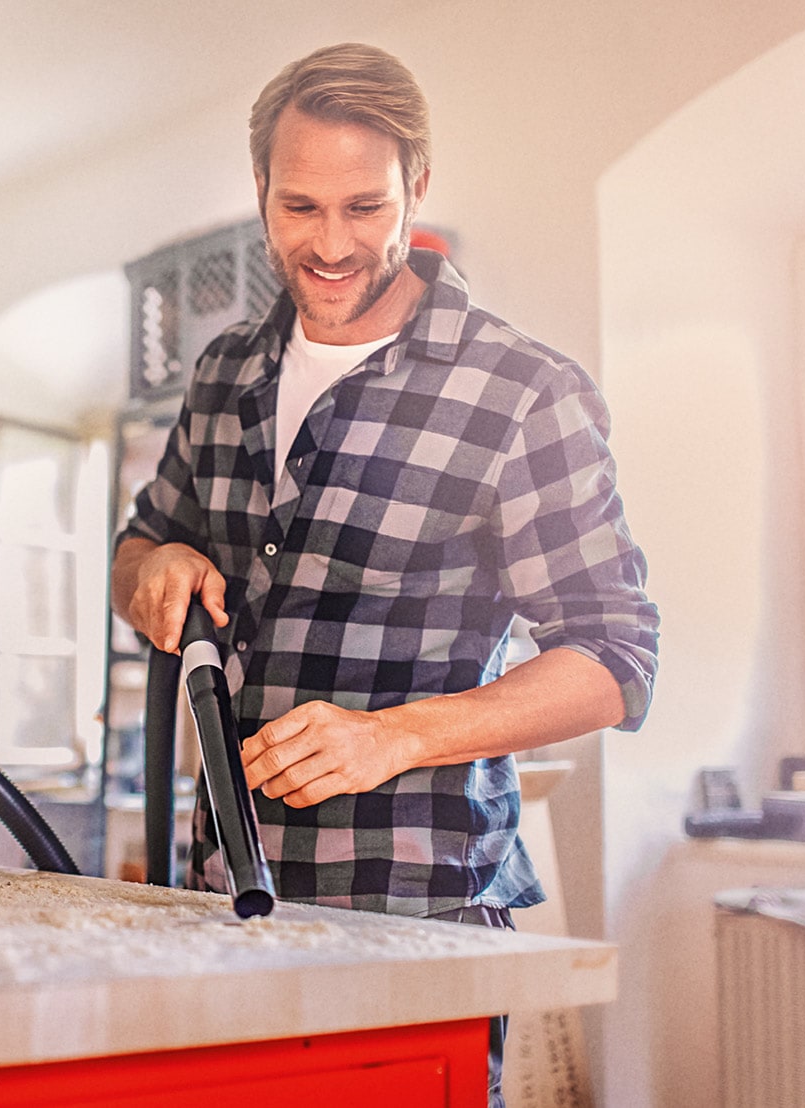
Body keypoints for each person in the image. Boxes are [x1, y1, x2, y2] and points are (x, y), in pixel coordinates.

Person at [110, 42, 659, 1106]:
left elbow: (616, 661)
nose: (328, 244)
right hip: (223, 902)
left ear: (419, 183)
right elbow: (143, 544)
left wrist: (394, 734)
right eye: (298, 205)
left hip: (416, 913)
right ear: (261, 190)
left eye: (364, 206)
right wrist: (155, 568)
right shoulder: (225, 372)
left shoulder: (522, 392)